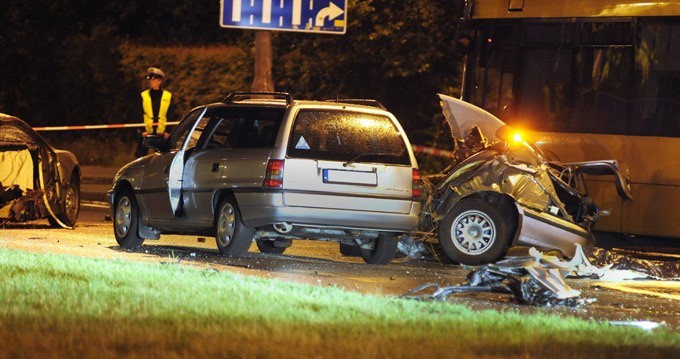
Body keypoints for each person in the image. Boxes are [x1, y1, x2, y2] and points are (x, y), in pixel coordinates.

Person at [135, 67, 173, 158]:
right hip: (147, 131)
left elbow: (171, 114)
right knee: (140, 157)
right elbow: (139, 113)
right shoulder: (144, 95)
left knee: (163, 157)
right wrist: (142, 130)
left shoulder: (168, 96)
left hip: (162, 132)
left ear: (159, 81)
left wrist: (168, 131)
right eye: (150, 79)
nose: (151, 82)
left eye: (154, 79)